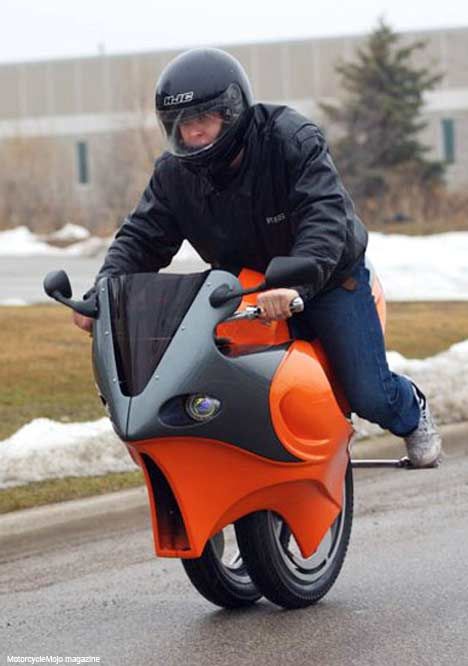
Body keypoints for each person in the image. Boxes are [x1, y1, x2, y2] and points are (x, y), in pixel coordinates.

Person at [74, 47, 442, 468]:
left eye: (201, 119)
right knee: (220, 389)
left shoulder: (290, 140)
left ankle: (411, 412)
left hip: (325, 278)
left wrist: (296, 281)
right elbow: (142, 236)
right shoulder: (173, 174)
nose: (191, 133)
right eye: (180, 123)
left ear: (231, 112)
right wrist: (104, 292)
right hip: (243, 287)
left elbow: (323, 217)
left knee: (367, 393)